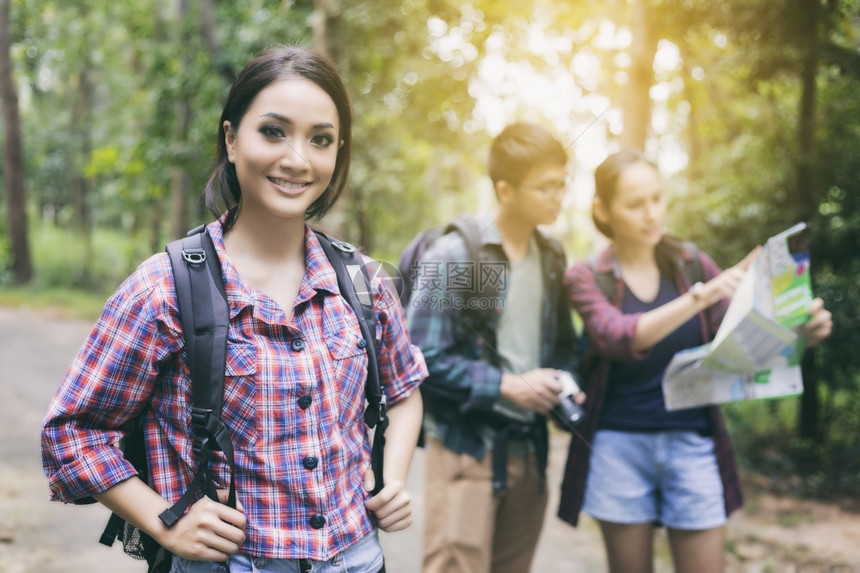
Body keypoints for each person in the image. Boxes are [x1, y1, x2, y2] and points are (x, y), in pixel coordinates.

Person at [41, 46, 427, 573]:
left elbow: (403, 391)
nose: (297, 158)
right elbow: (71, 434)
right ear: (231, 138)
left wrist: (393, 478)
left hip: (357, 559)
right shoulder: (165, 288)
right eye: (273, 131)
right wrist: (163, 519)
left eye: (321, 139)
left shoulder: (363, 280)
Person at [557, 149, 834, 573]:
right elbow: (616, 336)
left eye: (657, 198)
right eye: (635, 204)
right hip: (618, 446)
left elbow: (736, 337)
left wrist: (799, 332)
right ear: (603, 209)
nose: (652, 214)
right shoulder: (587, 277)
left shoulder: (691, 263)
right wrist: (700, 296)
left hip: (693, 443)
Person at [406, 121, 583, 573]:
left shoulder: (550, 257)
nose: (559, 197)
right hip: (468, 451)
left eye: (563, 185)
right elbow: (419, 358)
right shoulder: (455, 256)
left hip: (529, 452)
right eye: (546, 188)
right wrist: (507, 386)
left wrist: (565, 381)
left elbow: (562, 343)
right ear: (505, 191)